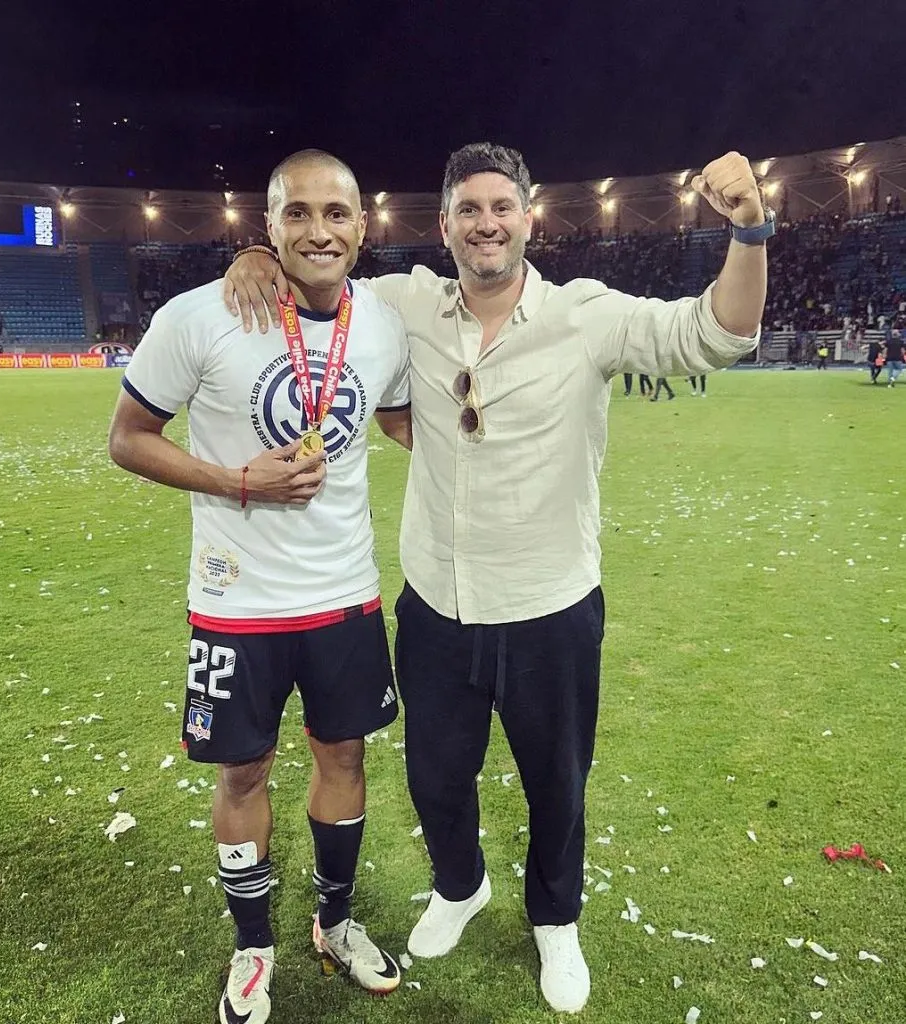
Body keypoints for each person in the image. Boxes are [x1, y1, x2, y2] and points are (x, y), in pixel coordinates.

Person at [222, 143, 768, 1014]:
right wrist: (255, 255)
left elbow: (718, 333)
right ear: (444, 226)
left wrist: (750, 228)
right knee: (437, 776)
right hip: (438, 604)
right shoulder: (404, 304)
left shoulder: (585, 314)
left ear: (527, 216)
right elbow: (321, 281)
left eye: (501, 207)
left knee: (556, 778)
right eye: (468, 210)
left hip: (549, 603)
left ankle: (556, 918)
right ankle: (462, 885)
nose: (486, 223)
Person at [108, 149, 409, 1024]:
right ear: (268, 226)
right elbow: (128, 437)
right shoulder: (203, 315)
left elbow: (392, 415)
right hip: (237, 602)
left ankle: (336, 922)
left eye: (338, 214)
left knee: (344, 758)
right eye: (299, 214)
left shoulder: (382, 322)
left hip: (345, 595)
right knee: (242, 773)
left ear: (363, 225)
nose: (320, 230)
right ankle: (253, 944)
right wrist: (240, 481)